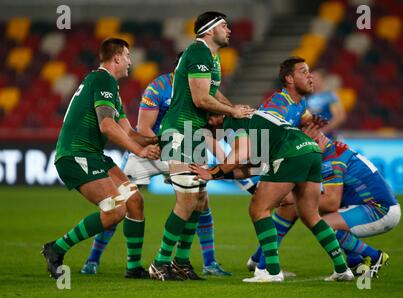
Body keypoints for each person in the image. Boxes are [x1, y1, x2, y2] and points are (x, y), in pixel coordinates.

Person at [191, 57, 354, 282]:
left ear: (213, 120)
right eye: (303, 72)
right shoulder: (284, 106)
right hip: (311, 152)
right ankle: (342, 269)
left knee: (259, 208)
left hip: (290, 153)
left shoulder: (233, 124)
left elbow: (241, 154)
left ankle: (271, 272)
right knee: (310, 214)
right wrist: (217, 173)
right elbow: (248, 168)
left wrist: (211, 173)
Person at [81, 63, 231, 276]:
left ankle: (209, 263)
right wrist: (165, 145)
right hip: (151, 149)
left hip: (184, 149)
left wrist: (226, 161)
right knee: (119, 200)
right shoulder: (158, 88)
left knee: (200, 199)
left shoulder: (202, 90)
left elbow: (204, 131)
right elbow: (142, 127)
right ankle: (93, 260)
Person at [41, 38, 160, 280]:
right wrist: (139, 152)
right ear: (116, 58)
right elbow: (106, 125)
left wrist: (156, 141)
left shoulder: (111, 88)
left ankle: (133, 267)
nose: (130, 61)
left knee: (135, 201)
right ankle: (57, 248)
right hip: (76, 155)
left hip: (93, 155)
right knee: (116, 210)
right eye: (127, 56)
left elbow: (128, 133)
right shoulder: (102, 79)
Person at [148, 11, 253, 281]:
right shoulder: (198, 51)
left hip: (193, 133)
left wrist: (233, 108)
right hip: (180, 131)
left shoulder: (212, 57)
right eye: (224, 25)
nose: (229, 30)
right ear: (209, 30)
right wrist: (233, 113)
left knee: (199, 200)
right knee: (186, 199)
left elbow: (212, 92)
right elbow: (200, 98)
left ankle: (181, 262)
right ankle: (160, 262)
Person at [249, 125, 401, 278]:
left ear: (315, 140)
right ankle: (355, 262)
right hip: (370, 206)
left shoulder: (331, 161)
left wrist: (296, 200)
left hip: (380, 210)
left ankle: (374, 256)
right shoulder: (328, 152)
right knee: (303, 210)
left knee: (323, 224)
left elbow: (331, 202)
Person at [306, 70, 346, 140]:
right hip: (314, 137)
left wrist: (323, 130)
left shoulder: (330, 96)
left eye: (315, 78)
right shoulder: (309, 98)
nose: (312, 80)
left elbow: (340, 117)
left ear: (322, 80)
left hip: (329, 138)